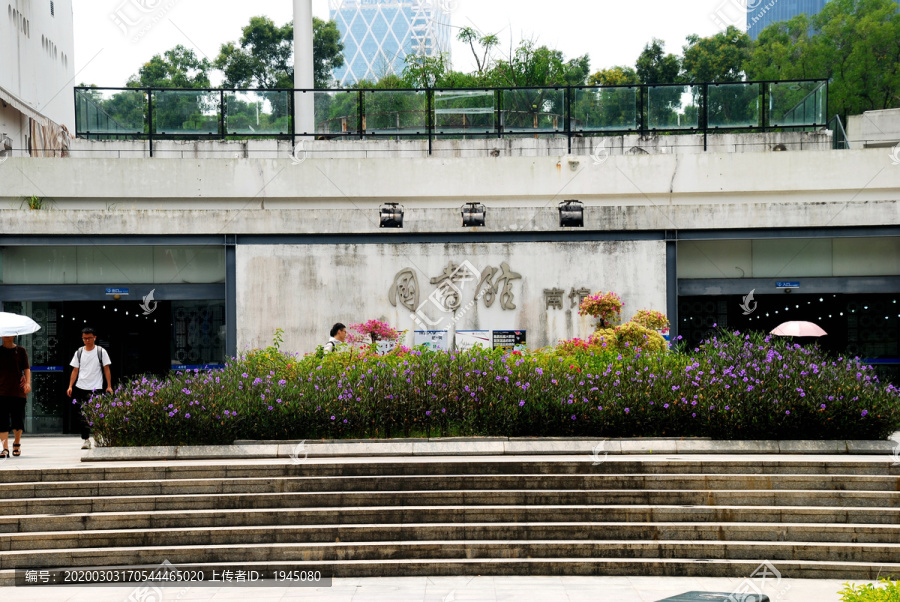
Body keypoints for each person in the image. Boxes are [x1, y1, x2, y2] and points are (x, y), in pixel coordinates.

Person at [66, 328, 112, 450]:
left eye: (89, 338)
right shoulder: (79, 352)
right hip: (81, 386)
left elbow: (106, 369)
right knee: (82, 415)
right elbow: (75, 370)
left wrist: (109, 386)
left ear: (94, 338)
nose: (87, 340)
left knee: (97, 414)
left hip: (96, 387)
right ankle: (86, 440)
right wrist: (70, 385)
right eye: (84, 338)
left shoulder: (101, 351)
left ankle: (97, 438)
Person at [0, 336, 30, 458]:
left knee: (18, 419)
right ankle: (5, 448)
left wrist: (28, 383)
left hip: (18, 390)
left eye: (9, 333)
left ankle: (17, 443)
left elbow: (27, 368)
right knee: (2, 420)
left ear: (14, 335)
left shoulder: (21, 350)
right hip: (1, 391)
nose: (7, 336)